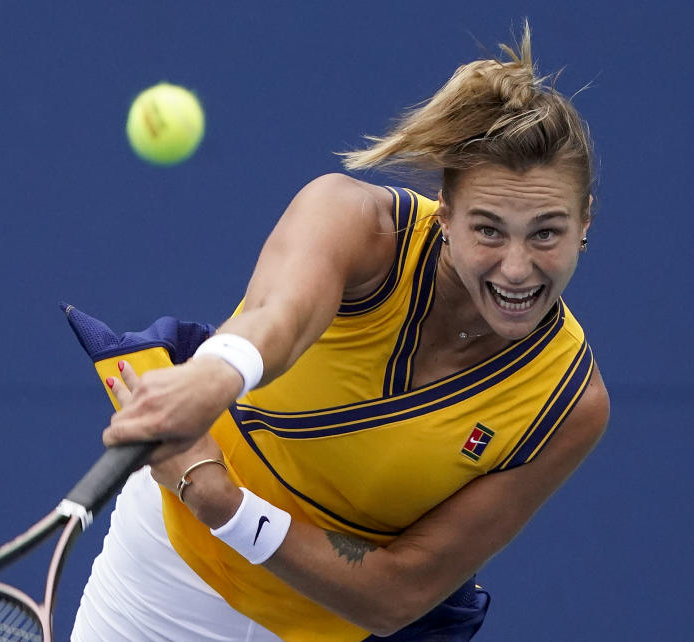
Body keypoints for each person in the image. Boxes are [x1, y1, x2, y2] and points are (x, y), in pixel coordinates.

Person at [71, 22, 609, 642]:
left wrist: (219, 500)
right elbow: (279, 318)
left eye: (546, 232)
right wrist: (214, 377)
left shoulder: (571, 403)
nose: (517, 268)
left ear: (584, 224)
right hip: (160, 584)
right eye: (488, 230)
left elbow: (396, 595)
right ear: (447, 214)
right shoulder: (354, 222)